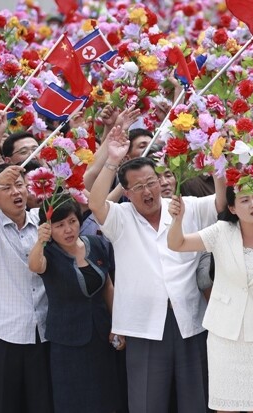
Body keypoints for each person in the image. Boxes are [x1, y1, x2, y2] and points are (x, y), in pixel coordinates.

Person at [88, 126, 225, 413]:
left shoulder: (184, 206)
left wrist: (218, 166)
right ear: (126, 192)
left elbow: (220, 203)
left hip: (189, 318)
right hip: (145, 325)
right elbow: (95, 202)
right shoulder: (121, 217)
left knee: (197, 399)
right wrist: (112, 159)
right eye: (138, 187)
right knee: (147, 402)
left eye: (151, 182)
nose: (147, 190)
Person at [167, 186, 253, 412]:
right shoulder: (221, 231)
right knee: (224, 408)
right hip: (222, 334)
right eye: (245, 200)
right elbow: (177, 244)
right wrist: (178, 220)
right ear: (233, 208)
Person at [0, 164, 51, 413]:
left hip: (43, 331)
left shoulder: (42, 220)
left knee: (43, 405)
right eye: (6, 187)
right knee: (4, 405)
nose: (16, 192)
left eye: (19, 185)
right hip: (4, 334)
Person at [28, 197, 121, 412]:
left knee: (106, 398)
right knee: (74, 402)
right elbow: (34, 266)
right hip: (67, 343)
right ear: (48, 229)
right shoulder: (48, 253)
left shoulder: (95, 243)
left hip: (101, 335)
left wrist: (117, 325)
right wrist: (39, 242)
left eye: (72, 221)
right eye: (59, 225)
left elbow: (108, 286)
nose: (68, 230)